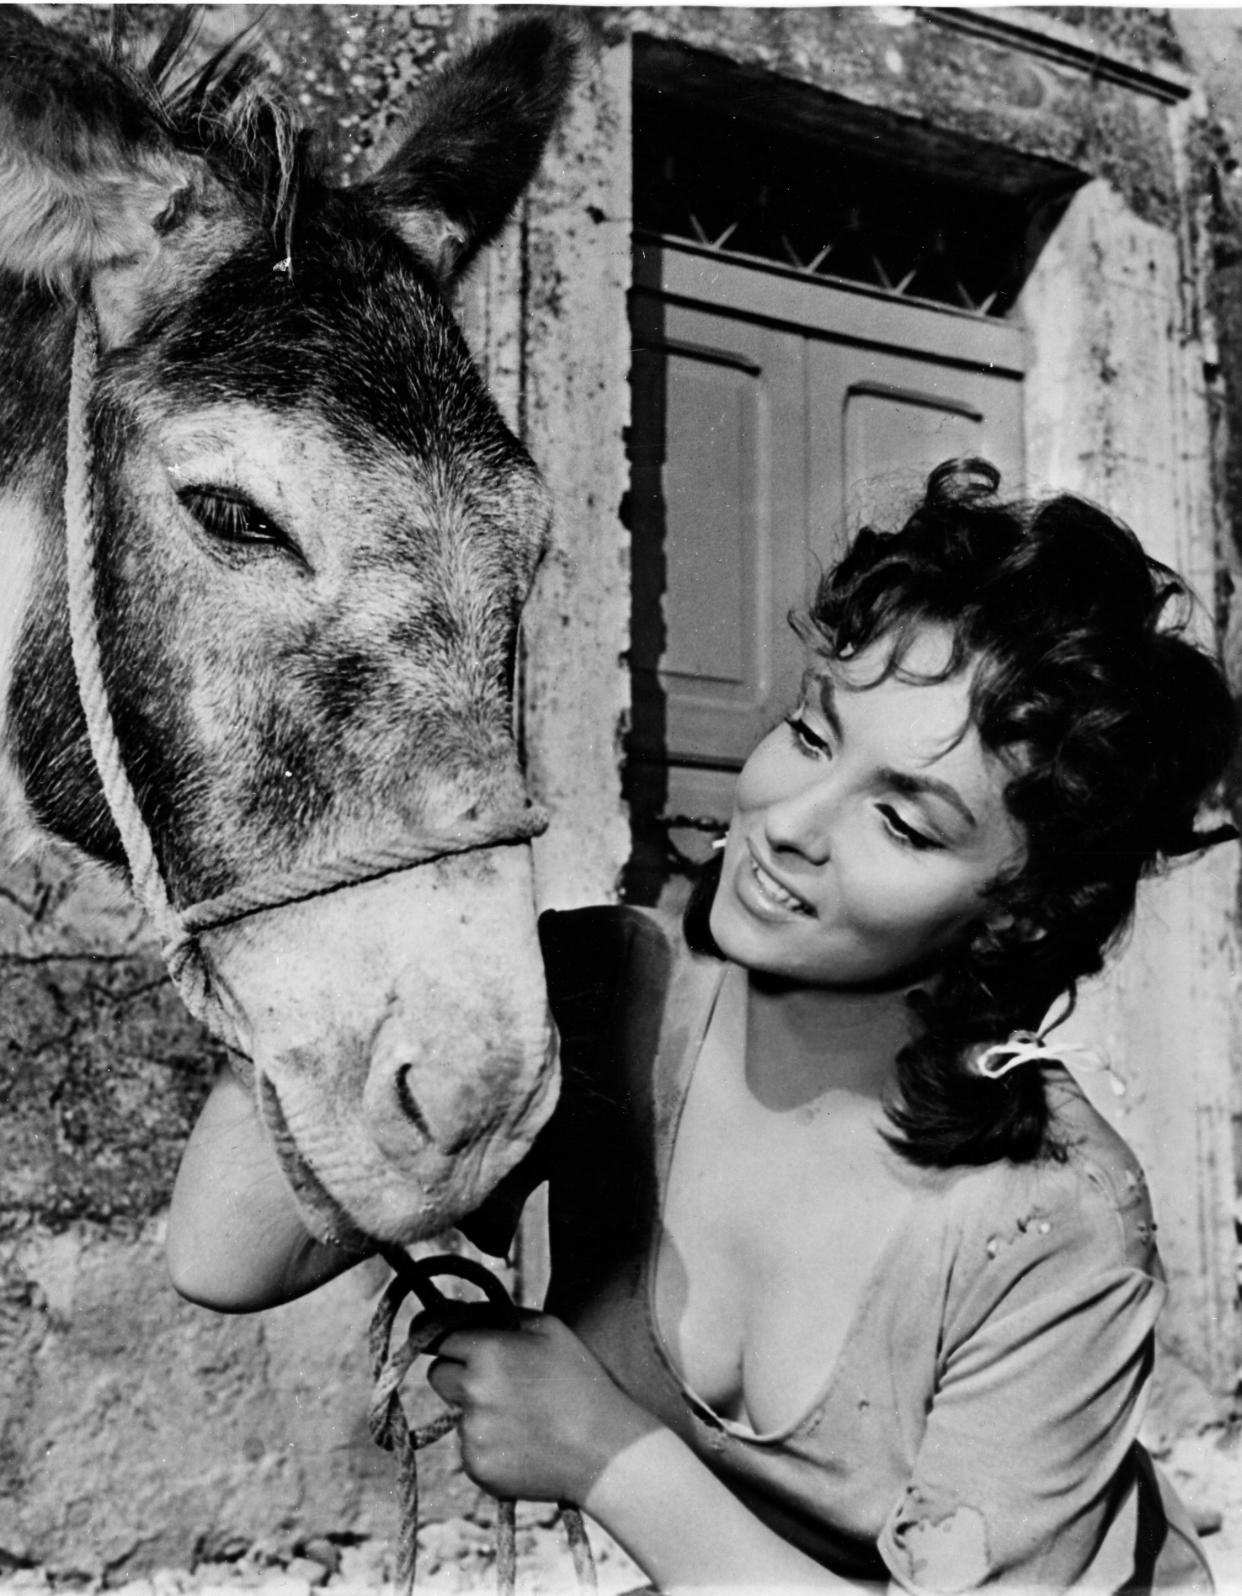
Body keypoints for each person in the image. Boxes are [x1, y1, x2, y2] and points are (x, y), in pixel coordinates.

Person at [167, 458, 1236, 1592]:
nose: (791, 824)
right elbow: (227, 1255)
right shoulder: (607, 996)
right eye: (814, 736)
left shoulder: (1050, 1220)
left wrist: (606, 1458)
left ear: (1018, 911)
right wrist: (345, 876)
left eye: (905, 824)